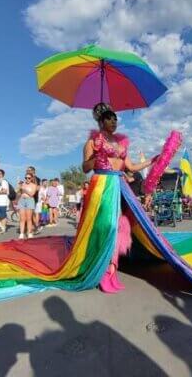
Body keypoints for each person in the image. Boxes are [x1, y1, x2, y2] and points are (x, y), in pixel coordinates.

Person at [82, 102, 155, 293]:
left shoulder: (120, 143)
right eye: (110, 118)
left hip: (120, 185)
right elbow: (85, 168)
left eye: (115, 119)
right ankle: (103, 271)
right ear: (101, 120)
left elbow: (130, 167)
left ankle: (112, 268)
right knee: (107, 227)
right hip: (103, 185)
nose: (114, 121)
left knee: (121, 226)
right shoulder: (92, 142)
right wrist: (96, 154)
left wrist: (151, 161)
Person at [17, 172, 38, 239]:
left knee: (29, 218)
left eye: (29, 178)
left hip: (29, 201)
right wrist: (19, 189)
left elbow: (32, 194)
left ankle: (29, 232)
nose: (27, 179)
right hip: (22, 201)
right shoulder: (22, 184)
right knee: (22, 218)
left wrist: (24, 190)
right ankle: (21, 233)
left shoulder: (34, 185)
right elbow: (19, 193)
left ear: (31, 178)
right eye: (26, 178)